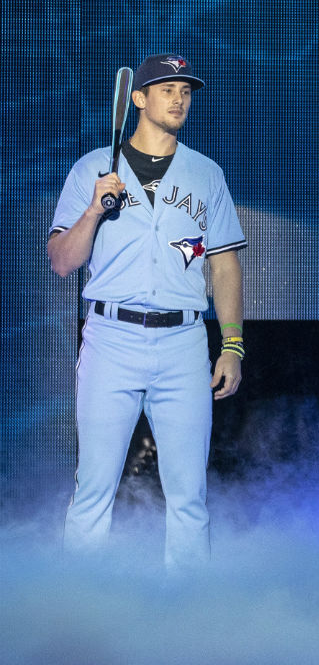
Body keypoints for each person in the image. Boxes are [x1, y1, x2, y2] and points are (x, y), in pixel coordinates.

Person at [48, 54, 247, 569]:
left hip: (183, 343)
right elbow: (62, 262)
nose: (179, 98)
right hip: (111, 338)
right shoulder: (93, 168)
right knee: (92, 491)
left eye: (185, 90)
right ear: (137, 98)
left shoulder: (206, 173)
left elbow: (223, 265)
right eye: (167, 89)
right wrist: (94, 209)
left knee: (190, 497)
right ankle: (78, 616)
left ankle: (188, 621)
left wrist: (231, 345)